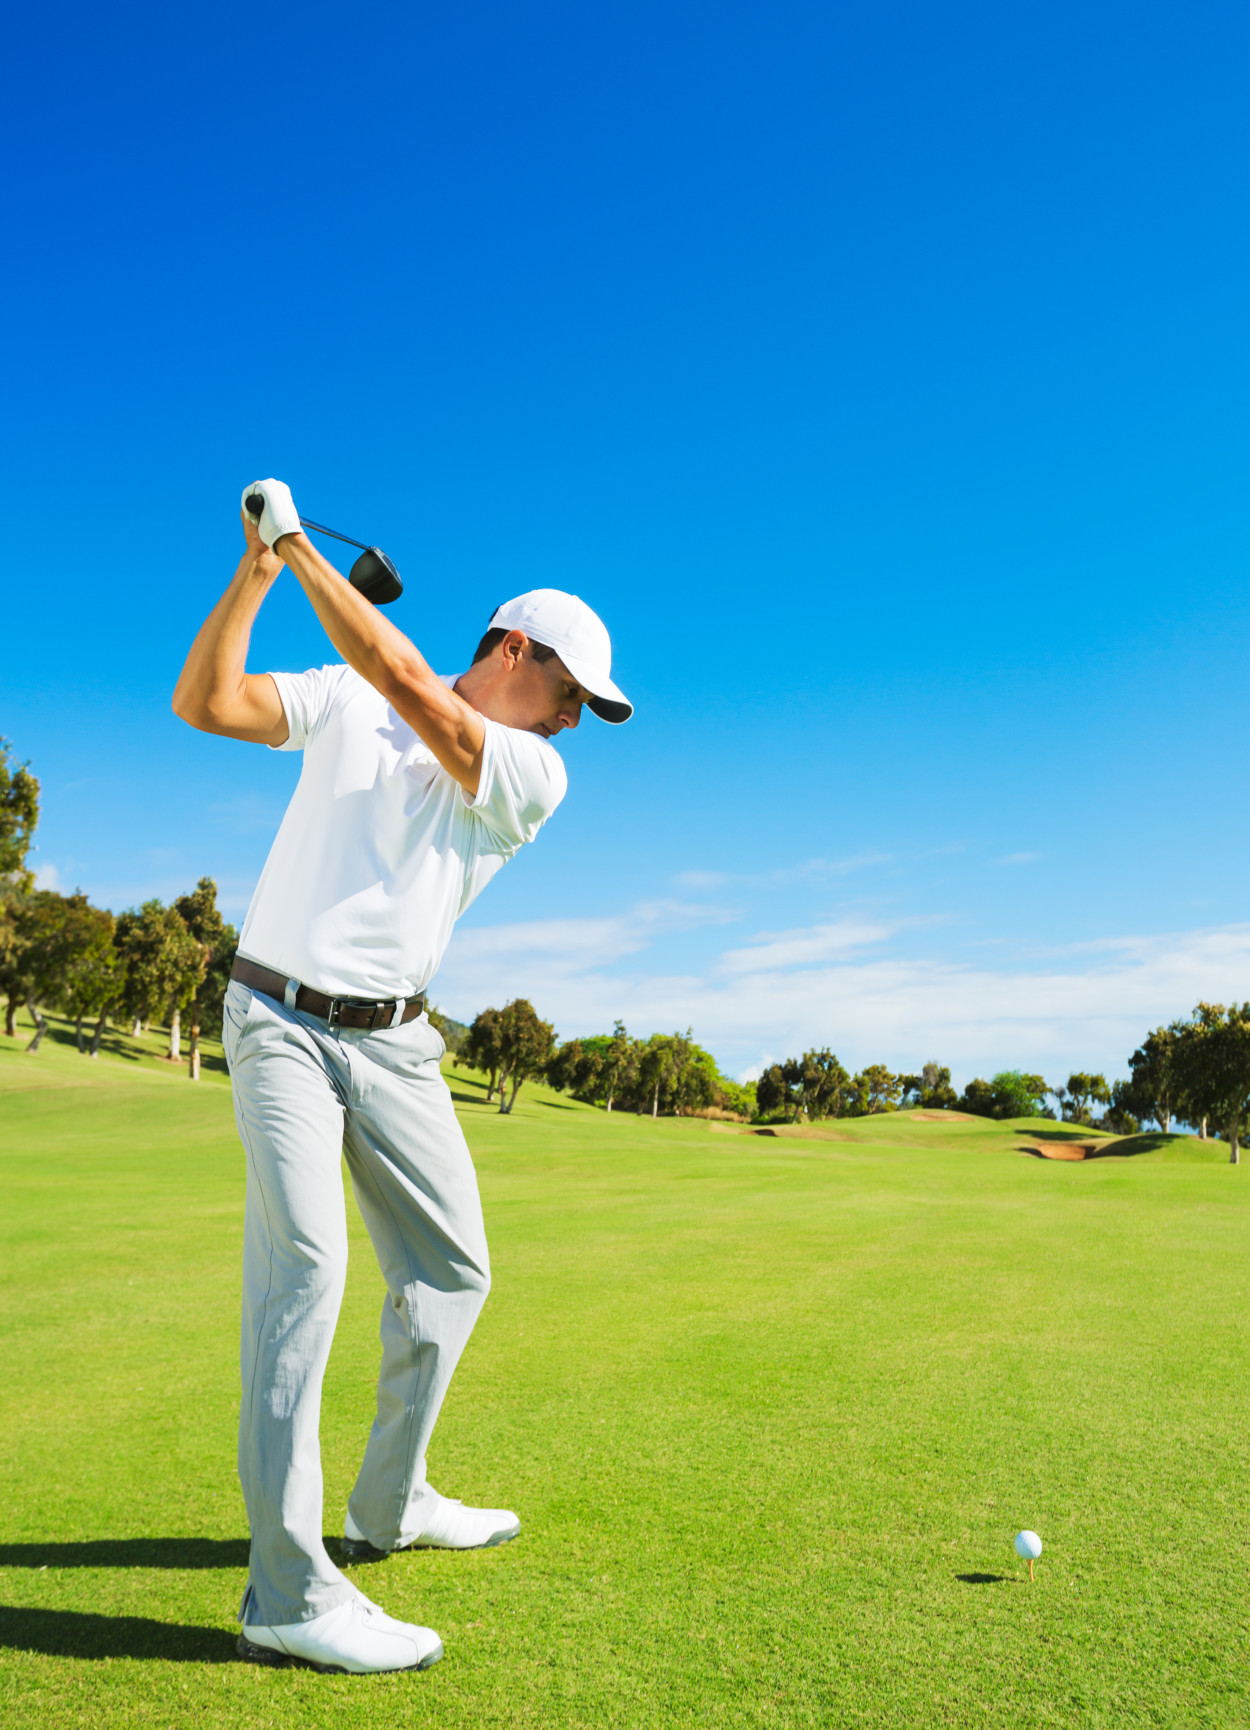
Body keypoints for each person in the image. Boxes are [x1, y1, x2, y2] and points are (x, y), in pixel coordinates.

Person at [172, 478, 632, 1675]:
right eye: (572, 693)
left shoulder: (530, 771)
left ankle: (388, 1501)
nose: (576, 720)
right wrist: (258, 572)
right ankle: (285, 1589)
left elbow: (413, 689)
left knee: (451, 1266)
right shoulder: (342, 698)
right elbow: (205, 700)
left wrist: (300, 552)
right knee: (306, 1271)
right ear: (517, 650)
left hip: (397, 1043)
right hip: (276, 1017)